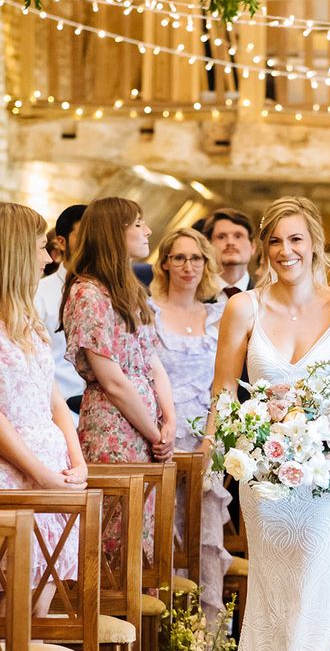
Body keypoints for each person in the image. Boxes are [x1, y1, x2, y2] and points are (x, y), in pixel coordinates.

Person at [206, 196, 330, 650]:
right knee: (275, 594)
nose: (287, 251)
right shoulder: (243, 308)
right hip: (265, 478)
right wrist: (216, 463)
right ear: (265, 249)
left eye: (296, 239)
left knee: (321, 586)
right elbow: (224, 391)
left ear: (315, 244)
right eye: (276, 241)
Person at [61, 197, 176, 558]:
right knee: (116, 534)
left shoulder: (130, 289)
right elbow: (111, 379)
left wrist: (169, 419)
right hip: (114, 425)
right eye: (138, 223)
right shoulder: (87, 292)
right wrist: (155, 432)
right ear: (115, 232)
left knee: (144, 534)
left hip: (145, 423)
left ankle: (140, 609)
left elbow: (151, 360)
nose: (148, 230)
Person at [0, 202, 87, 615]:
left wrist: (76, 457)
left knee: (34, 618)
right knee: (9, 617)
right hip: (14, 476)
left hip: (51, 475)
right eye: (39, 247)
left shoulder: (28, 316)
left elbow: (49, 390)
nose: (49, 257)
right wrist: (41, 474)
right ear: (15, 251)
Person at [149, 227, 232, 621]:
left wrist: (212, 440)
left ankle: (208, 635)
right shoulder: (146, 313)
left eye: (196, 258)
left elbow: (224, 384)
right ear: (164, 262)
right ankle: (166, 634)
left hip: (206, 441)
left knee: (205, 541)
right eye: (179, 257)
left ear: (206, 264)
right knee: (163, 540)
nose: (188, 266)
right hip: (159, 441)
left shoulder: (217, 316)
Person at [34, 204, 87, 421]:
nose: (92, 243)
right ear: (61, 242)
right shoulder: (39, 294)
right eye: (84, 235)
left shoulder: (115, 295)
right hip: (59, 415)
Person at [203, 208, 257, 302]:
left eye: (238, 236)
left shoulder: (266, 297)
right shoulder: (195, 297)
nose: (230, 242)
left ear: (253, 247)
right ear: (208, 246)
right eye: (221, 237)